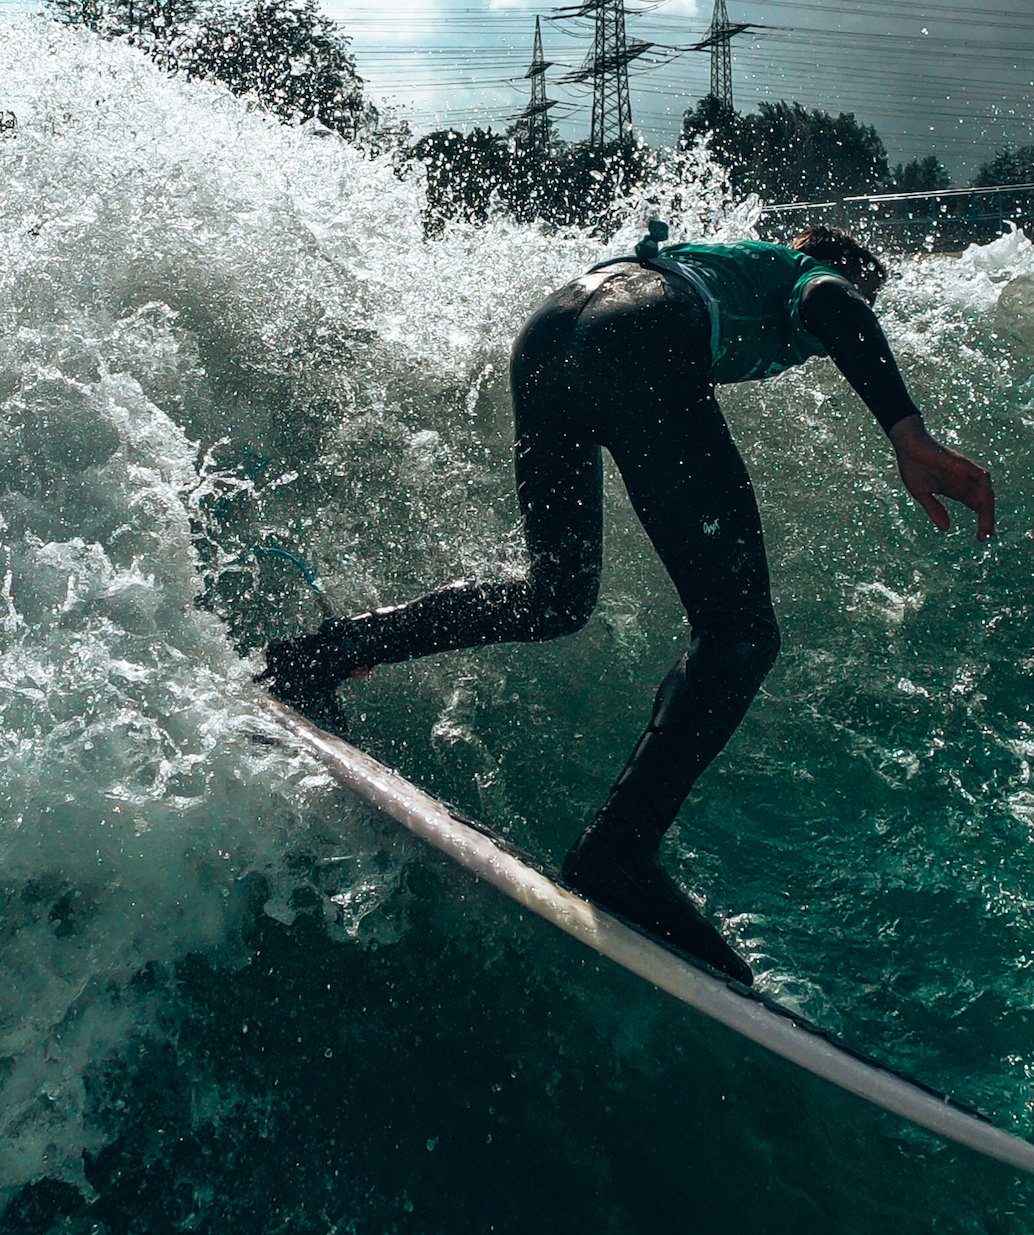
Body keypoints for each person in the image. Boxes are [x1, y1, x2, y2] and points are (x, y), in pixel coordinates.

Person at [262, 222, 994, 986]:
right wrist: (908, 432)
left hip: (549, 334)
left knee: (554, 597)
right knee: (740, 628)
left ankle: (325, 652)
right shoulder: (798, 274)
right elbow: (834, 300)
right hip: (638, 336)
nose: (821, 353)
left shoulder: (721, 266)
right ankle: (619, 848)